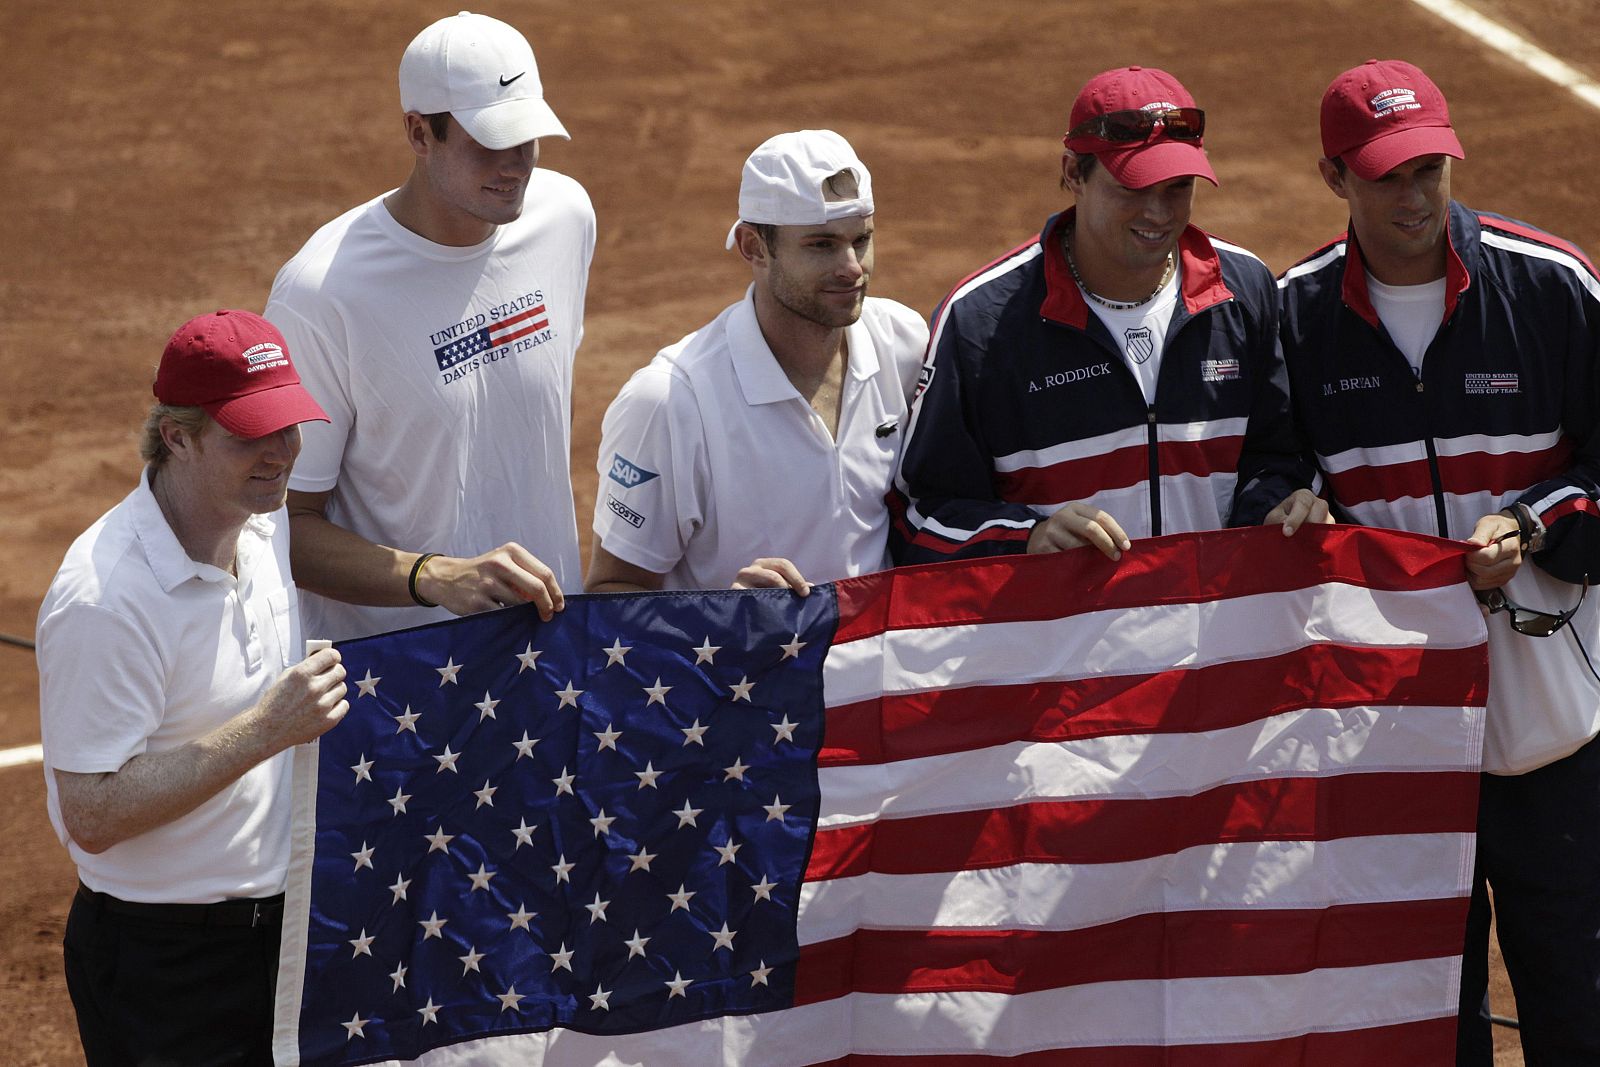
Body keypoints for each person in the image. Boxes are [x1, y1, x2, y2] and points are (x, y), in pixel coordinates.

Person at [1278, 59, 1600, 1065]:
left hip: (1558, 725)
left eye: (1428, 167)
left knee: (1579, 1004)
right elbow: (1266, 482)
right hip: (1394, 739)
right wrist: (1292, 508)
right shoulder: (1292, 318)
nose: (1412, 195)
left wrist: (1535, 522)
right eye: (1384, 175)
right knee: (1423, 1017)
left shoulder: (1551, 284)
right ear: (1334, 177)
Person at [36, 310, 349, 1065]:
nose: (280, 453)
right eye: (250, 434)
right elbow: (92, 813)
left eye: (289, 426)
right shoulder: (107, 598)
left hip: (285, 937)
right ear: (177, 435)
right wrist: (265, 728)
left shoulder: (261, 526)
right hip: (166, 965)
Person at [889, 66, 1321, 565]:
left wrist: (1274, 506)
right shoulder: (980, 324)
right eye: (1134, 188)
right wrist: (1028, 536)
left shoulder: (1243, 291)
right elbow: (920, 514)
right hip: (1063, 637)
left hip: (1213, 629)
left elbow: (1277, 456)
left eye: (1178, 186)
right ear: (1074, 174)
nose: (1159, 214)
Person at [266, 10, 594, 640]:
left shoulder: (564, 216)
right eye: (490, 142)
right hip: (405, 691)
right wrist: (435, 576)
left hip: (547, 652)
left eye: (527, 137)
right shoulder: (322, 295)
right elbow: (282, 526)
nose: (517, 164)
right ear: (420, 133)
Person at [585, 130, 929, 594]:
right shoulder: (669, 403)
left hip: (876, 662)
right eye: (821, 245)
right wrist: (728, 621)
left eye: (861, 240)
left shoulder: (905, 344)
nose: (852, 267)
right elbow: (612, 593)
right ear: (753, 247)